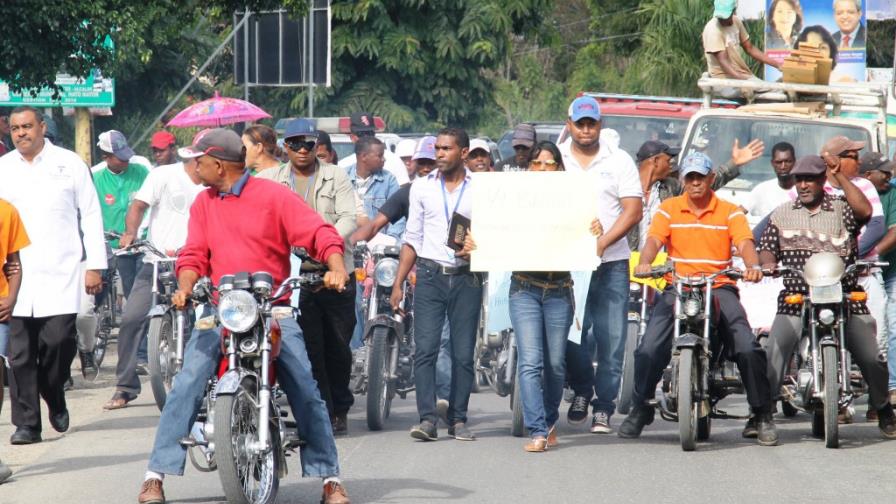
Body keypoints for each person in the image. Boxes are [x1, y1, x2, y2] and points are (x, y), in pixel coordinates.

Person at [137, 128, 351, 504]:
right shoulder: (204, 203)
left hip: (274, 309)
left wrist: (336, 266)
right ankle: (156, 474)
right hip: (223, 309)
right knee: (187, 383)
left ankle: (329, 477)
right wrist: (186, 286)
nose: (194, 167)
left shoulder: (273, 196)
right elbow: (193, 255)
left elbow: (319, 232)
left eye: (198, 160)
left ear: (218, 165)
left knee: (305, 385)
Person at [618, 152, 778, 445]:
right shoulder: (669, 208)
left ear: (710, 179)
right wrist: (646, 261)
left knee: (746, 345)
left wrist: (753, 266)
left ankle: (762, 414)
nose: (694, 183)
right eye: (689, 177)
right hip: (677, 285)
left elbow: (744, 242)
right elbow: (654, 239)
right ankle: (641, 408)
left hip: (717, 285)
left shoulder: (729, 211)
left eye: (700, 177)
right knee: (648, 349)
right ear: (683, 180)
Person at [759, 154, 896, 438]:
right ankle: (762, 415)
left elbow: (866, 213)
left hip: (843, 295)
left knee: (872, 355)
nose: (804, 185)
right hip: (797, 296)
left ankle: (883, 410)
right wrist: (768, 262)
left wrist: (842, 177)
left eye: (810, 179)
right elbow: (766, 244)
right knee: (775, 348)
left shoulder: (841, 209)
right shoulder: (783, 212)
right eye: (800, 179)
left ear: (823, 181)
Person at [0, 106, 107, 445]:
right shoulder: (2, 169)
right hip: (13, 278)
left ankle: (54, 391)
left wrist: (95, 264)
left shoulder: (69, 164)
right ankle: (27, 424)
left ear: (42, 127)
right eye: (15, 128)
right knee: (18, 355)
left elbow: (90, 214)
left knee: (59, 342)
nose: (21, 133)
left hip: (61, 272)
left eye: (27, 126)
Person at [257, 118, 358, 435]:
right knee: (307, 347)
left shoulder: (335, 176)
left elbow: (349, 218)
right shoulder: (268, 179)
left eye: (308, 144)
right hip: (290, 276)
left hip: (333, 270)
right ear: (284, 146)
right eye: (295, 143)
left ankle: (341, 406)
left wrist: (320, 245)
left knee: (338, 347)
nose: (302, 149)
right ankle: (323, 414)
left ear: (317, 146)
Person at [390, 128, 483, 442]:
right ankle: (427, 418)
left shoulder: (481, 189)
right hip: (430, 276)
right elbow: (412, 238)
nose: (439, 154)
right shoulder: (421, 188)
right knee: (425, 350)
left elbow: (496, 232)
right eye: (437, 149)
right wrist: (399, 283)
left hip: (467, 276)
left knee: (462, 353)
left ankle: (458, 419)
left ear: (464, 153)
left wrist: (481, 246)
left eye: (446, 149)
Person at [558, 96, 642, 434]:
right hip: (566, 264)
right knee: (569, 335)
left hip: (611, 263)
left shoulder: (619, 160)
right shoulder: (556, 159)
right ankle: (581, 388)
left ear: (600, 125)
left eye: (592, 123)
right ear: (570, 125)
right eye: (580, 123)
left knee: (612, 339)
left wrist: (602, 243)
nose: (586, 129)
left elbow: (632, 211)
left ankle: (603, 406)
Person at [102, 134, 204, 411]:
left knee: (206, 322)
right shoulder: (163, 175)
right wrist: (130, 233)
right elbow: (138, 206)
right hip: (156, 260)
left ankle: (206, 383)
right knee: (132, 319)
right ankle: (125, 387)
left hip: (197, 265)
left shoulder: (214, 183)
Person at [626, 138, 764, 250]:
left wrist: (734, 163)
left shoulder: (670, 187)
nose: (671, 164)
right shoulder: (625, 188)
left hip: (662, 265)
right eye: (667, 160)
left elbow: (702, 185)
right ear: (655, 161)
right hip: (628, 262)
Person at [92, 130, 150, 298]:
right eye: (120, 157)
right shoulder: (95, 177)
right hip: (111, 247)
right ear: (106, 157)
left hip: (140, 244)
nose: (126, 160)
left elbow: (151, 205)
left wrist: (137, 233)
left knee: (136, 294)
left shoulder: (142, 171)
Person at [859, 152, 896, 409]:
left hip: (886, 269)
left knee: (890, 326)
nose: (889, 176)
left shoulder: (892, 192)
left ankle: (889, 388)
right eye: (884, 172)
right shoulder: (851, 194)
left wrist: (871, 256)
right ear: (867, 175)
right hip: (852, 270)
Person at [703, 0, 781, 93]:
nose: (723, 20)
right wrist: (745, 81)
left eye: (725, 17)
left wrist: (778, 65)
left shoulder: (736, 22)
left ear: (733, 11)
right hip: (723, 80)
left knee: (775, 89)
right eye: (720, 18)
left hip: (741, 75)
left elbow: (750, 49)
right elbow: (724, 62)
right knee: (775, 89)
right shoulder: (713, 30)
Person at [338, 111, 410, 185]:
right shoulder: (343, 166)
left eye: (370, 133)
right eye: (361, 134)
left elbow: (403, 191)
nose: (366, 137)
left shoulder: (393, 160)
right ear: (352, 137)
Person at [745, 142, 796, 219]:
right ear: (772, 163)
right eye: (778, 162)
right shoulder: (762, 189)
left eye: (788, 161)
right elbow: (737, 213)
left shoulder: (804, 189)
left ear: (794, 162)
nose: (783, 166)